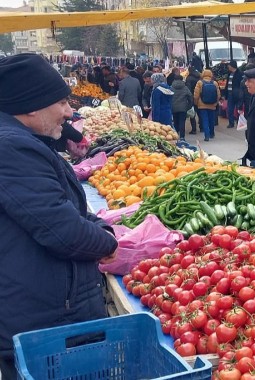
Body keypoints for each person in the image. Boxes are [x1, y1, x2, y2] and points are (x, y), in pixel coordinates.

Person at [0, 53, 118, 380]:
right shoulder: (12, 149)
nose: (68, 113)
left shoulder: (23, 141)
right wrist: (107, 239)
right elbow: (62, 230)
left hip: (47, 313)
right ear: (31, 106)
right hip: (46, 323)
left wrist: (99, 227)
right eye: (61, 103)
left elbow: (67, 210)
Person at [193, 69, 220, 141]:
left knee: (204, 120)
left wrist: (196, 103)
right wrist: (216, 103)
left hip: (202, 105)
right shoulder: (214, 83)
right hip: (212, 104)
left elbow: (196, 95)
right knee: (211, 120)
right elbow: (218, 95)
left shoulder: (199, 83)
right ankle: (212, 133)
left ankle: (206, 135)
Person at [171, 75, 193, 140]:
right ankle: (182, 137)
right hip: (183, 108)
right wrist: (188, 106)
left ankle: (176, 135)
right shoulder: (185, 88)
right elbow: (190, 97)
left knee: (175, 122)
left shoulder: (171, 87)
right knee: (182, 122)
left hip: (174, 107)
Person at [224, 60, 242, 129]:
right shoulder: (229, 73)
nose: (228, 66)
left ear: (232, 66)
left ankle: (238, 122)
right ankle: (231, 123)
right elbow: (227, 84)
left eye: (229, 65)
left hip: (237, 94)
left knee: (238, 109)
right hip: (230, 93)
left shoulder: (239, 73)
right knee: (230, 109)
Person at [184, 66, 202, 134]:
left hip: (192, 97)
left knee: (192, 114)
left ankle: (194, 129)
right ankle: (202, 127)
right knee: (200, 113)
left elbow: (188, 89)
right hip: (199, 97)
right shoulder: (200, 77)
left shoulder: (189, 78)